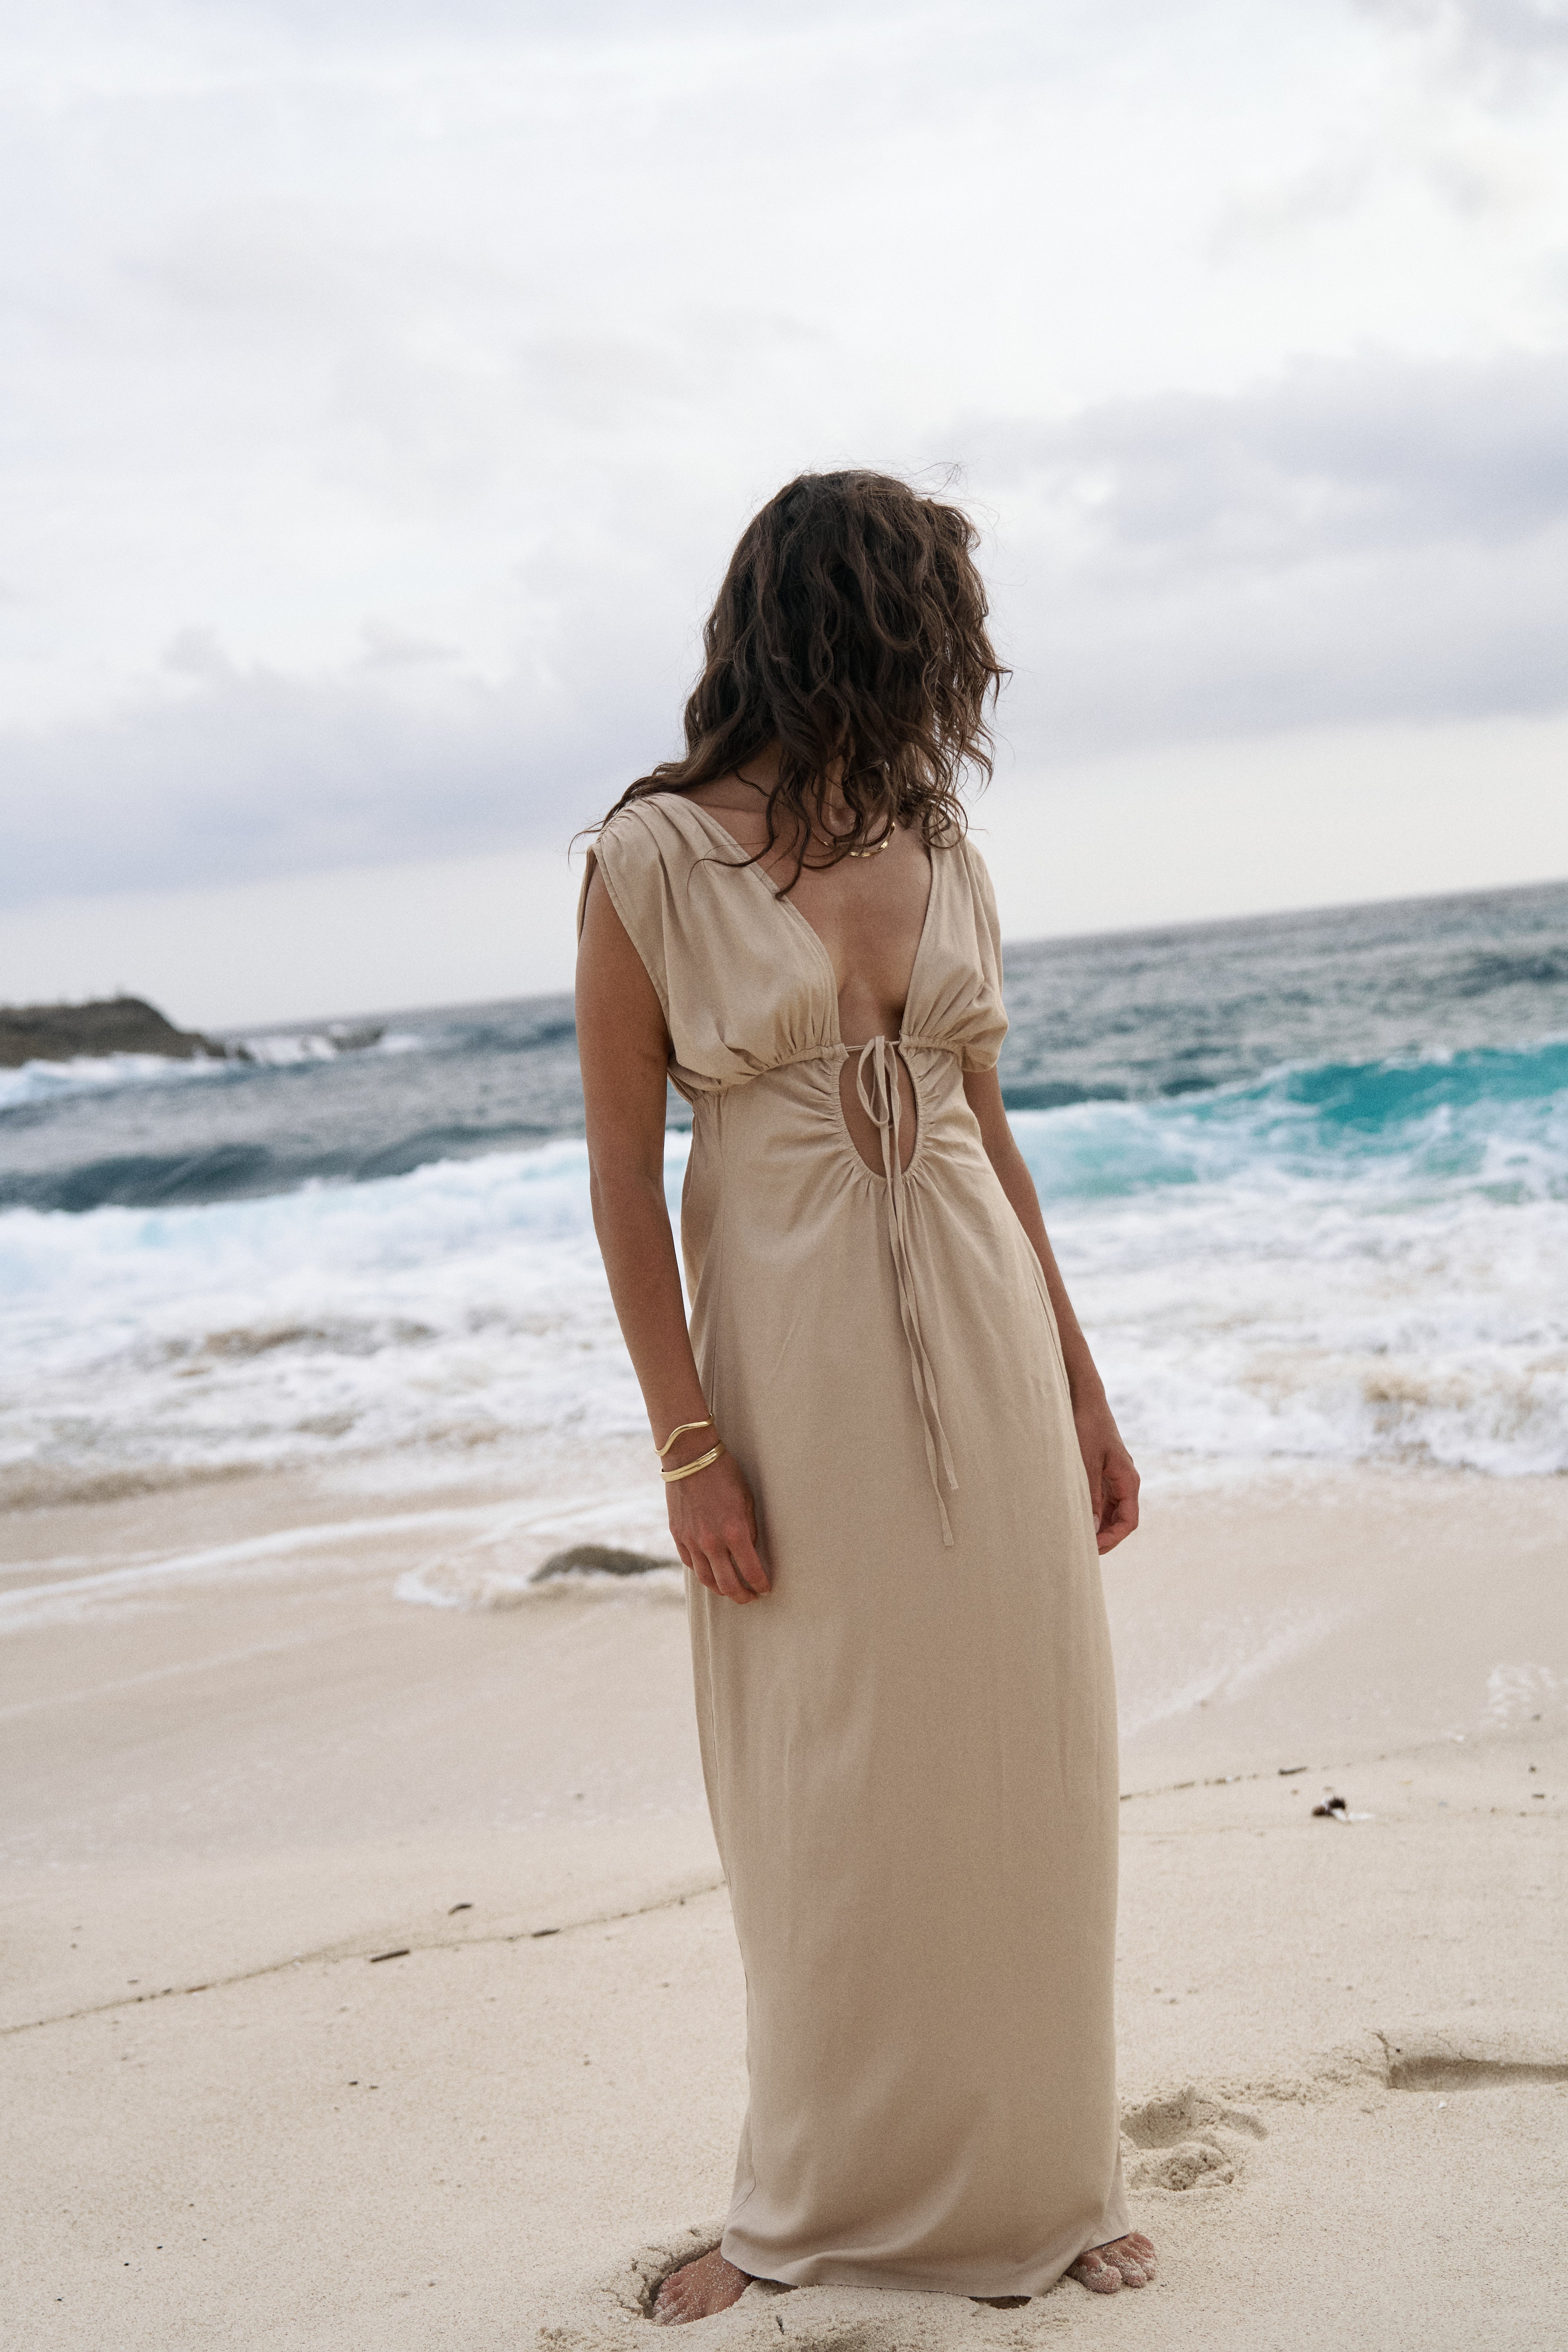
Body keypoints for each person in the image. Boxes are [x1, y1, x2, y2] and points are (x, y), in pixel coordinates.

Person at [574, 470, 1153, 2319]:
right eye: (926, 631)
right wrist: (685, 1446)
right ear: (849, 628)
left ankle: (1046, 2190)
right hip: (787, 1380)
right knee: (828, 1784)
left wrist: (1082, 1390)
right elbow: (614, 1180)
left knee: (1023, 1761)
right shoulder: (646, 860)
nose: (948, 673)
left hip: (984, 1345)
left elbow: (986, 1133)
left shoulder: (940, 846)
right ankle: (801, 2211)